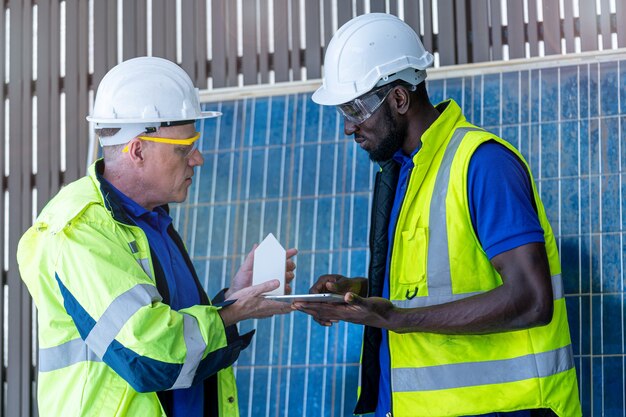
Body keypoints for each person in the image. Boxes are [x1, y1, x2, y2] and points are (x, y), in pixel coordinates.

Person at [295, 13, 581, 417]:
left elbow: (532, 300)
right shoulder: (405, 173)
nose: (348, 128)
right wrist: (355, 292)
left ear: (398, 99)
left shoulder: (482, 163)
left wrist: (396, 318)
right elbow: (433, 288)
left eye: (356, 109)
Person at [17, 56, 297, 417]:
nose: (198, 159)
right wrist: (231, 313)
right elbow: (150, 356)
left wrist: (230, 299)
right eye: (184, 148)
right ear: (137, 150)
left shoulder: (150, 223)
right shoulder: (79, 232)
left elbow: (177, 334)